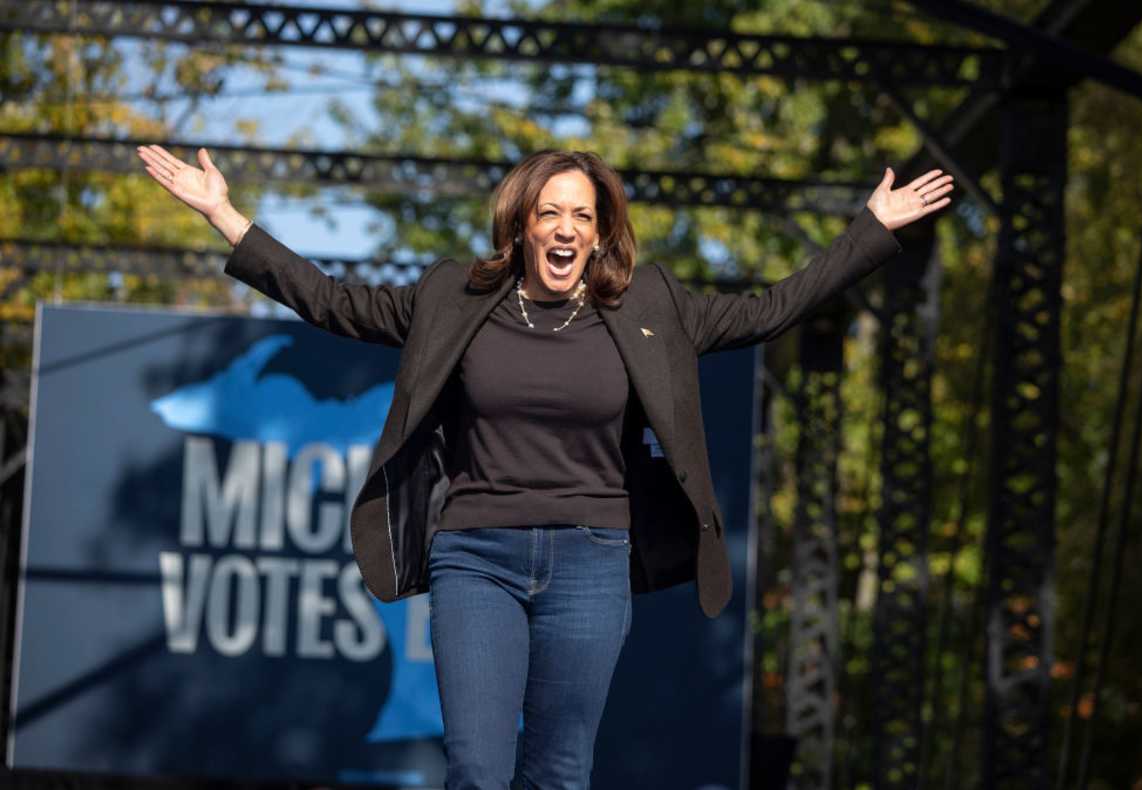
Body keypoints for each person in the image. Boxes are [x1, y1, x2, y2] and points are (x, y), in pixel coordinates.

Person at [137, 142, 952, 789]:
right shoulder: (455, 297)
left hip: (591, 562)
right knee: (479, 772)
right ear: (522, 225)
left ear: (600, 232)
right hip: (476, 559)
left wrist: (870, 229)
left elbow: (772, 309)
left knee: (561, 774)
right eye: (550, 213)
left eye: (582, 216)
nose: (566, 228)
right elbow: (331, 300)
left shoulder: (651, 308)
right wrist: (227, 218)